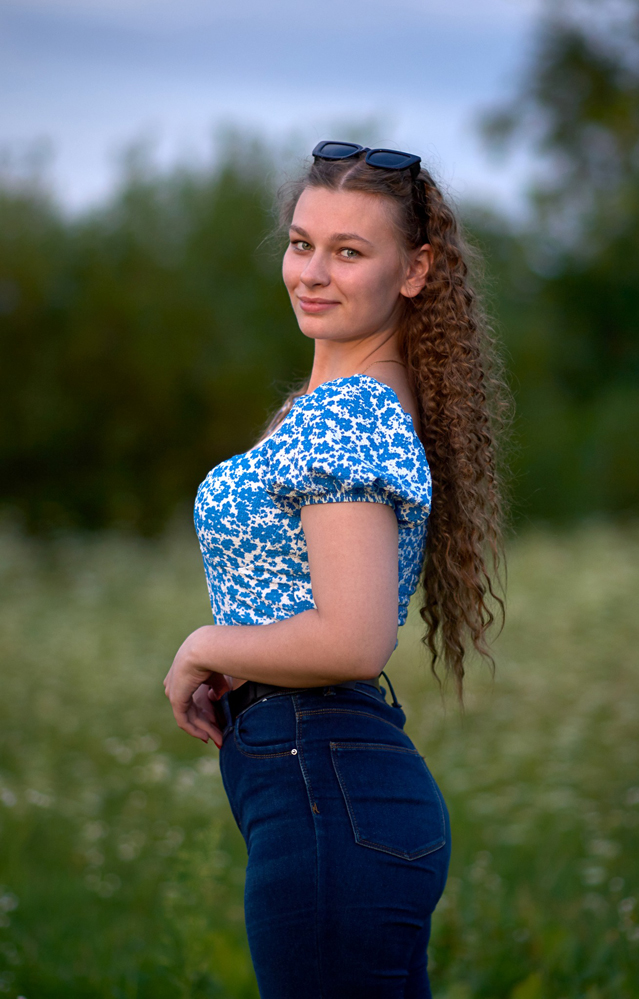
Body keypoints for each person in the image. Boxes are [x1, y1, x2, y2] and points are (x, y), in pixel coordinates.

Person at [163, 140, 508, 998]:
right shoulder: (343, 403)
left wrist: (206, 644)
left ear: (414, 269)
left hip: (326, 787)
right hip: (334, 790)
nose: (312, 272)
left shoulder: (348, 412)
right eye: (300, 242)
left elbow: (354, 639)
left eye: (349, 251)